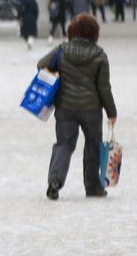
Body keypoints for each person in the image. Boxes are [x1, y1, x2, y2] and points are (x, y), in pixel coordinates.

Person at [38, 14, 116, 200]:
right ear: (94, 33)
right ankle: (93, 187)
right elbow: (104, 88)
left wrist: (56, 72)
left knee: (64, 144)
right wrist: (111, 112)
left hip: (65, 107)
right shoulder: (100, 56)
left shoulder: (62, 50)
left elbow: (41, 65)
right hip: (91, 109)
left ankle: (55, 180)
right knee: (93, 146)